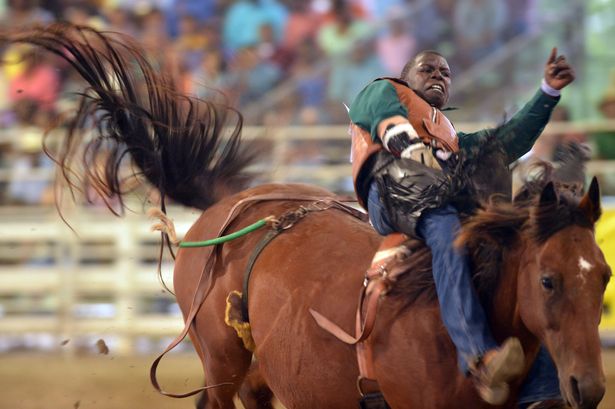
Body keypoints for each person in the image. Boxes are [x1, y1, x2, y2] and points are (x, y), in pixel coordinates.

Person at [348, 48, 574, 406]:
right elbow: (391, 129)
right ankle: (479, 357)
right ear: (406, 77)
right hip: (389, 188)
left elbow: (507, 140)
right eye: (428, 69)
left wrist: (548, 91)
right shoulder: (384, 90)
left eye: (446, 72)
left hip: (434, 192)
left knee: (513, 254)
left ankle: (542, 388)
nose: (439, 75)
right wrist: (427, 160)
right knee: (447, 227)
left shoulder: (451, 136)